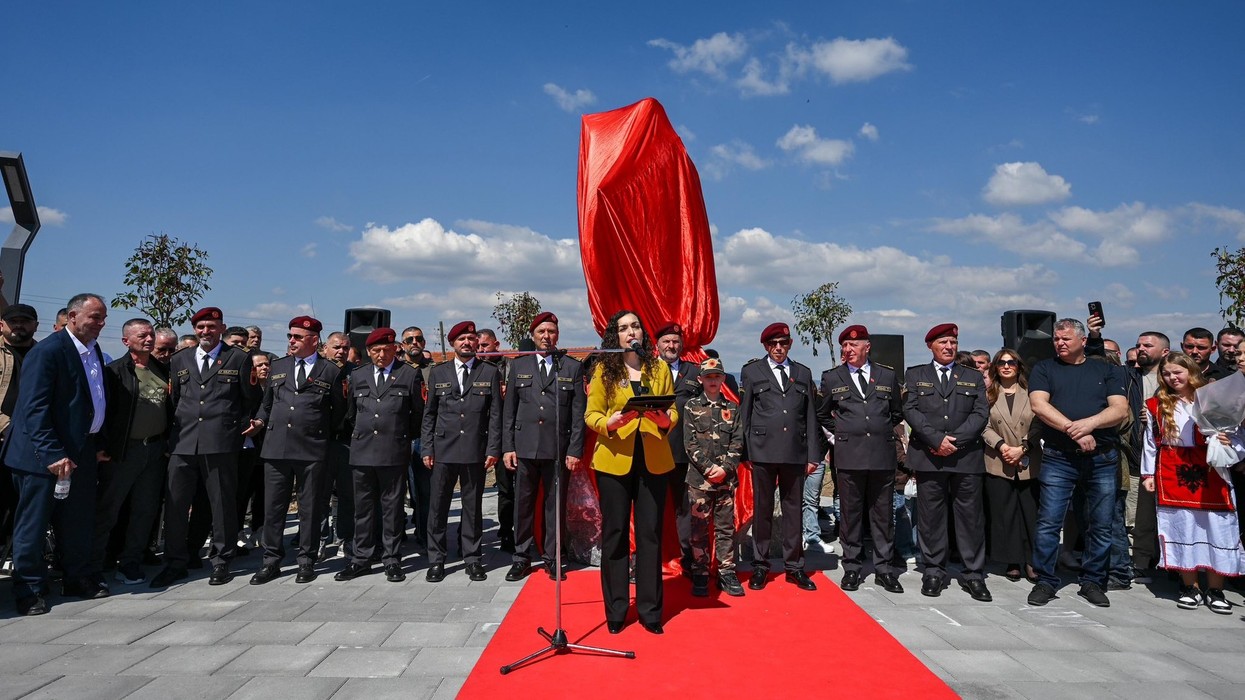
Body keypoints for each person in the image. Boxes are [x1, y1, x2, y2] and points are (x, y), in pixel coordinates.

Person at [4, 293, 109, 615]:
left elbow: (91, 400)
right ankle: (30, 589)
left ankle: (76, 578)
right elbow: (33, 409)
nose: (100, 323)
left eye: (103, 317)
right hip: (43, 457)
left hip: (81, 453)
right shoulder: (48, 352)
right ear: (73, 316)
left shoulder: (93, 350)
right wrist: (52, 453)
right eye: (94, 317)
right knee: (33, 527)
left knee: (77, 522)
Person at [584, 310, 678, 634]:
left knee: (651, 535)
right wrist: (607, 424)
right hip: (614, 459)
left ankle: (651, 611)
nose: (630, 332)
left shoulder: (659, 367)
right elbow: (591, 414)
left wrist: (667, 420)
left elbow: (672, 410)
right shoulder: (603, 371)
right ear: (615, 337)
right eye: (623, 328)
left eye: (635, 325)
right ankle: (616, 609)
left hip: (653, 458)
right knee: (616, 535)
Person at [152, 307, 258, 588]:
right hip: (183, 442)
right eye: (200, 327)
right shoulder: (180, 359)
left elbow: (248, 399)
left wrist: (238, 429)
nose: (205, 332)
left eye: (211, 327)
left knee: (221, 504)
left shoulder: (238, 358)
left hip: (220, 443)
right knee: (176, 504)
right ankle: (176, 561)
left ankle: (222, 560)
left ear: (221, 328)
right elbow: (175, 401)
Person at [1027, 318, 1128, 607]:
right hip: (1059, 457)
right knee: (1049, 522)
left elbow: (1119, 410)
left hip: (1101, 458)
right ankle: (1045, 580)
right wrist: (1074, 430)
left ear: (1083, 341)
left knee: (1101, 523)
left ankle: (1093, 581)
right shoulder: (1045, 368)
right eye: (1056, 339)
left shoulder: (1107, 370)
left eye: (1066, 339)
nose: (1059, 343)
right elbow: (1039, 405)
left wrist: (1088, 425)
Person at [1142, 353, 1245, 613]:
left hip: (1211, 470)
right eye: (1166, 374)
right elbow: (1151, 441)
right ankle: (1191, 587)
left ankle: (1216, 589)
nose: (1172, 378)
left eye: (1177, 372)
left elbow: (1237, 434)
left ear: (1190, 371)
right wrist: (1148, 475)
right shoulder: (1156, 404)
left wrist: (1230, 445)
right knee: (1181, 527)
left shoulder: (1212, 398)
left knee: (1217, 527)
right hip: (1172, 470)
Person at [248, 316, 347, 585]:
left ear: (314, 340)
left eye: (297, 337)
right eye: (290, 336)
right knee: (274, 508)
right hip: (276, 449)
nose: (291, 341)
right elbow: (266, 405)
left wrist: (318, 433)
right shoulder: (279, 366)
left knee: (311, 508)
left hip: (312, 450)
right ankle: (271, 561)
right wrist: (258, 421)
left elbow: (338, 412)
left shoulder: (331, 371)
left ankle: (306, 559)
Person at [903, 323, 991, 602]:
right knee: (931, 518)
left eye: (953, 342)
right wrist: (936, 440)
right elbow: (911, 410)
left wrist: (955, 440)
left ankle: (973, 574)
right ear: (931, 346)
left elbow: (980, 413)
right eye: (943, 342)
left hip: (965, 457)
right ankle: (933, 571)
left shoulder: (972, 376)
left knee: (970, 519)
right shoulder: (916, 374)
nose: (949, 347)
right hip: (931, 457)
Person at [816, 324, 905, 594]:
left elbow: (896, 413)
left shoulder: (886, 376)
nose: (847, 349)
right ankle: (852, 567)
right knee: (851, 515)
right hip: (849, 457)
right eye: (844, 345)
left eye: (853, 345)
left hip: (881, 456)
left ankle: (884, 569)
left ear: (867, 347)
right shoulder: (832, 378)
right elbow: (822, 414)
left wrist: (877, 432)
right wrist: (839, 436)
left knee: (882, 515)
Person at [501, 311, 586, 582]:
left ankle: (553, 558)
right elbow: (509, 412)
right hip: (524, 447)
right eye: (541, 332)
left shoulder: (571, 367)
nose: (546, 337)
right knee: (523, 505)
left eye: (551, 332)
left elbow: (577, 414)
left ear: (557, 335)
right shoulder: (519, 366)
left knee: (555, 506)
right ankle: (521, 557)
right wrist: (508, 447)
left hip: (557, 449)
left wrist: (574, 450)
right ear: (533, 336)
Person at [740, 322, 821, 592]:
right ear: (765, 346)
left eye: (783, 343)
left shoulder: (802, 372)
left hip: (794, 452)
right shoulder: (753, 371)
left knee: (793, 511)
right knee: (762, 510)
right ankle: (760, 566)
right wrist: (746, 452)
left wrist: (813, 454)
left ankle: (794, 566)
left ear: (789, 345)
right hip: (762, 452)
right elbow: (746, 414)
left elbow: (810, 415)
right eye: (773, 344)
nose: (778, 348)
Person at [336, 328, 423, 583]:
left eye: (386, 350)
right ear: (368, 352)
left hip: (393, 451)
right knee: (362, 509)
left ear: (395, 348)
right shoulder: (358, 375)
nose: (381, 355)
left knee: (392, 508)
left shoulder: (408, 374)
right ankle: (361, 559)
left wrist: (400, 438)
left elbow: (416, 415)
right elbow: (351, 414)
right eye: (375, 351)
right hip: (362, 452)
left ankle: (392, 559)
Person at [421, 321, 502, 583]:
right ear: (452, 344)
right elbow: (429, 414)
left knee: (472, 507)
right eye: (461, 339)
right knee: (438, 507)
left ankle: (473, 558)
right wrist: (427, 447)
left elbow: (495, 416)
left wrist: (493, 448)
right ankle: (436, 560)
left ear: (477, 343)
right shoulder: (439, 372)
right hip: (442, 450)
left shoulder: (488, 372)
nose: (466, 343)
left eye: (470, 338)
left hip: (474, 450)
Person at [94, 318, 171, 586]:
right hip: (123, 451)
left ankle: (131, 563)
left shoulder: (163, 370)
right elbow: (103, 413)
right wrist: (101, 446)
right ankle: (95, 564)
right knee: (109, 509)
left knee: (145, 509)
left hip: (155, 449)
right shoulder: (114, 372)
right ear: (126, 341)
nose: (148, 339)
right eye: (142, 336)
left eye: (151, 335)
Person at [683, 357, 743, 597]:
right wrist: (709, 469)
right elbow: (690, 443)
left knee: (725, 528)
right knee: (698, 530)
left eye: (717, 376)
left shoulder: (733, 407)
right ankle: (700, 571)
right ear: (700, 379)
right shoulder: (691, 407)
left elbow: (738, 442)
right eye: (708, 377)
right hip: (700, 481)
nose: (712, 381)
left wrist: (725, 468)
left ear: (723, 379)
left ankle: (727, 572)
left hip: (725, 481)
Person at [981, 348, 1041, 583]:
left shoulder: (1032, 394)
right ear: (995, 367)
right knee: (1004, 513)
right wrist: (1002, 446)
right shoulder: (987, 394)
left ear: (1019, 366)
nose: (1006, 366)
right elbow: (982, 425)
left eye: (1011, 362)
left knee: (1030, 511)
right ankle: (1011, 560)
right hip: (998, 459)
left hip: (1028, 459)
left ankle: (1031, 560)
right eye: (1001, 363)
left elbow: (1039, 424)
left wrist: (1023, 447)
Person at [655, 321, 700, 573]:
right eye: (666, 341)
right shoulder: (646, 370)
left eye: (675, 341)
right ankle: (645, 559)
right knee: (650, 508)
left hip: (685, 454)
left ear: (681, 345)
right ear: (657, 345)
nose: (671, 345)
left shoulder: (695, 373)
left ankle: (689, 560)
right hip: (653, 450)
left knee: (685, 511)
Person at [477, 328, 516, 553]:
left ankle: (510, 532)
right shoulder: (476, 368)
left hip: (509, 436)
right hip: (482, 435)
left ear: (496, 344)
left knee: (509, 489)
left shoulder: (512, 366)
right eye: (479, 347)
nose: (481, 350)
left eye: (485, 346)